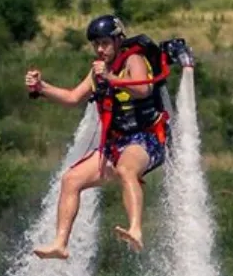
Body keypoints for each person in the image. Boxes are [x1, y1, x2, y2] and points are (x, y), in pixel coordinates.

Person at [24, 14, 171, 260]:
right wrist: (41, 88)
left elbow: (143, 88)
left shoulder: (133, 59)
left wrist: (111, 78)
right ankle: (60, 244)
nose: (100, 49)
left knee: (126, 170)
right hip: (116, 145)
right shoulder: (97, 71)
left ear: (117, 40)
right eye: (96, 44)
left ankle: (135, 229)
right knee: (71, 179)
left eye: (104, 43)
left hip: (147, 140)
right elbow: (72, 98)